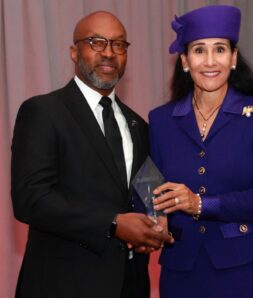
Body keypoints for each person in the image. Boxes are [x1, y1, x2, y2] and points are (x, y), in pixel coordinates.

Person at [11, 11, 173, 298]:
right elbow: (31, 200)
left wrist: (153, 224)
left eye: (119, 44)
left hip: (130, 284)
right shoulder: (43, 112)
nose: (109, 53)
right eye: (96, 42)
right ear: (74, 52)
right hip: (62, 285)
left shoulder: (139, 125)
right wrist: (113, 223)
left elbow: (146, 195)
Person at [149, 5, 253, 298]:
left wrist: (200, 205)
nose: (210, 61)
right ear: (184, 60)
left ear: (233, 58)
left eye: (220, 49)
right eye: (199, 50)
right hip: (181, 271)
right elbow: (152, 191)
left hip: (244, 270)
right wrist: (152, 219)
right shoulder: (161, 120)